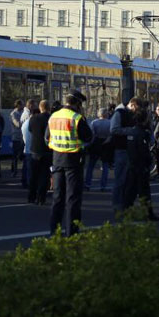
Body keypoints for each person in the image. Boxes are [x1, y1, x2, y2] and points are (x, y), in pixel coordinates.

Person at [47, 93, 93, 237]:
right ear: (78, 104)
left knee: (57, 198)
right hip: (73, 161)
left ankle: (54, 232)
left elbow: (47, 138)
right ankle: (71, 233)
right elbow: (88, 137)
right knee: (72, 199)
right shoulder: (77, 118)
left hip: (57, 160)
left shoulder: (53, 116)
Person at [123, 102, 158, 220]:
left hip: (132, 165)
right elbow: (144, 152)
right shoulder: (143, 134)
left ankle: (126, 212)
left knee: (130, 192)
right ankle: (148, 214)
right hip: (140, 166)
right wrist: (147, 164)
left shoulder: (131, 132)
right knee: (144, 192)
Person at [110, 97, 140, 211]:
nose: (137, 111)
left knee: (127, 179)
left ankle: (124, 203)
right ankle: (117, 204)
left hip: (129, 149)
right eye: (136, 108)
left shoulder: (129, 114)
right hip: (121, 149)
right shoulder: (119, 113)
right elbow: (114, 129)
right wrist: (130, 131)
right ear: (132, 104)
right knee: (120, 179)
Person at [26, 100, 52, 204]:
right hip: (46, 150)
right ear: (48, 107)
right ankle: (41, 198)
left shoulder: (33, 118)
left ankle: (31, 197)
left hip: (34, 150)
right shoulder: (51, 118)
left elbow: (30, 130)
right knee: (44, 176)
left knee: (34, 175)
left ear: (40, 108)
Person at [85, 108, 112, 192]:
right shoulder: (110, 122)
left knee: (91, 165)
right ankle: (103, 186)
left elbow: (92, 134)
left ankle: (87, 184)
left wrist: (89, 145)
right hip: (106, 144)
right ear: (106, 114)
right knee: (105, 166)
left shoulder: (94, 122)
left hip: (96, 144)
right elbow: (111, 134)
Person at [20, 103, 38, 189]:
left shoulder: (25, 123)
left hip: (26, 148)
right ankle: (29, 184)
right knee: (30, 170)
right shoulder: (33, 123)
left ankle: (25, 182)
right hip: (32, 149)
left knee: (26, 167)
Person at [9, 100, 24, 177]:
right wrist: (25, 122)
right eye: (21, 105)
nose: (22, 106)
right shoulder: (13, 114)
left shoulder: (23, 112)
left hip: (23, 137)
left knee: (23, 155)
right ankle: (14, 171)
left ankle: (23, 171)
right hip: (16, 137)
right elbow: (17, 124)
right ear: (17, 105)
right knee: (15, 156)